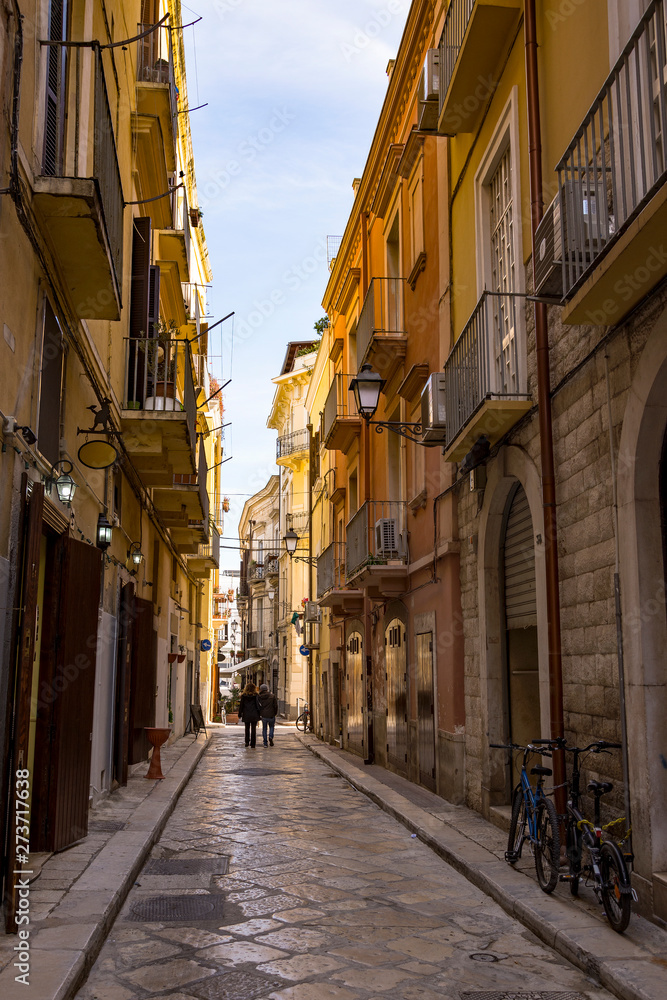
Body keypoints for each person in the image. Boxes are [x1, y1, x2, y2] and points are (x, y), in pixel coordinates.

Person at [238, 682, 261, 748]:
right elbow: (257, 705)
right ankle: (253, 744)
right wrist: (259, 714)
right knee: (253, 729)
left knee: (247, 728)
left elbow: (241, 706)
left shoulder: (244, 696)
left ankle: (247, 742)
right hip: (254, 714)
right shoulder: (256, 695)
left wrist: (240, 713)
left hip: (246, 713)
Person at [258, 683, 278, 747]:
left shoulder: (259, 697)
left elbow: (258, 706)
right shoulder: (272, 696)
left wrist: (260, 713)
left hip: (264, 715)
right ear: (267, 689)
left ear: (261, 690)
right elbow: (275, 706)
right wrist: (275, 713)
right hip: (271, 714)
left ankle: (265, 743)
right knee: (271, 727)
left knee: (264, 729)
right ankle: (271, 736)